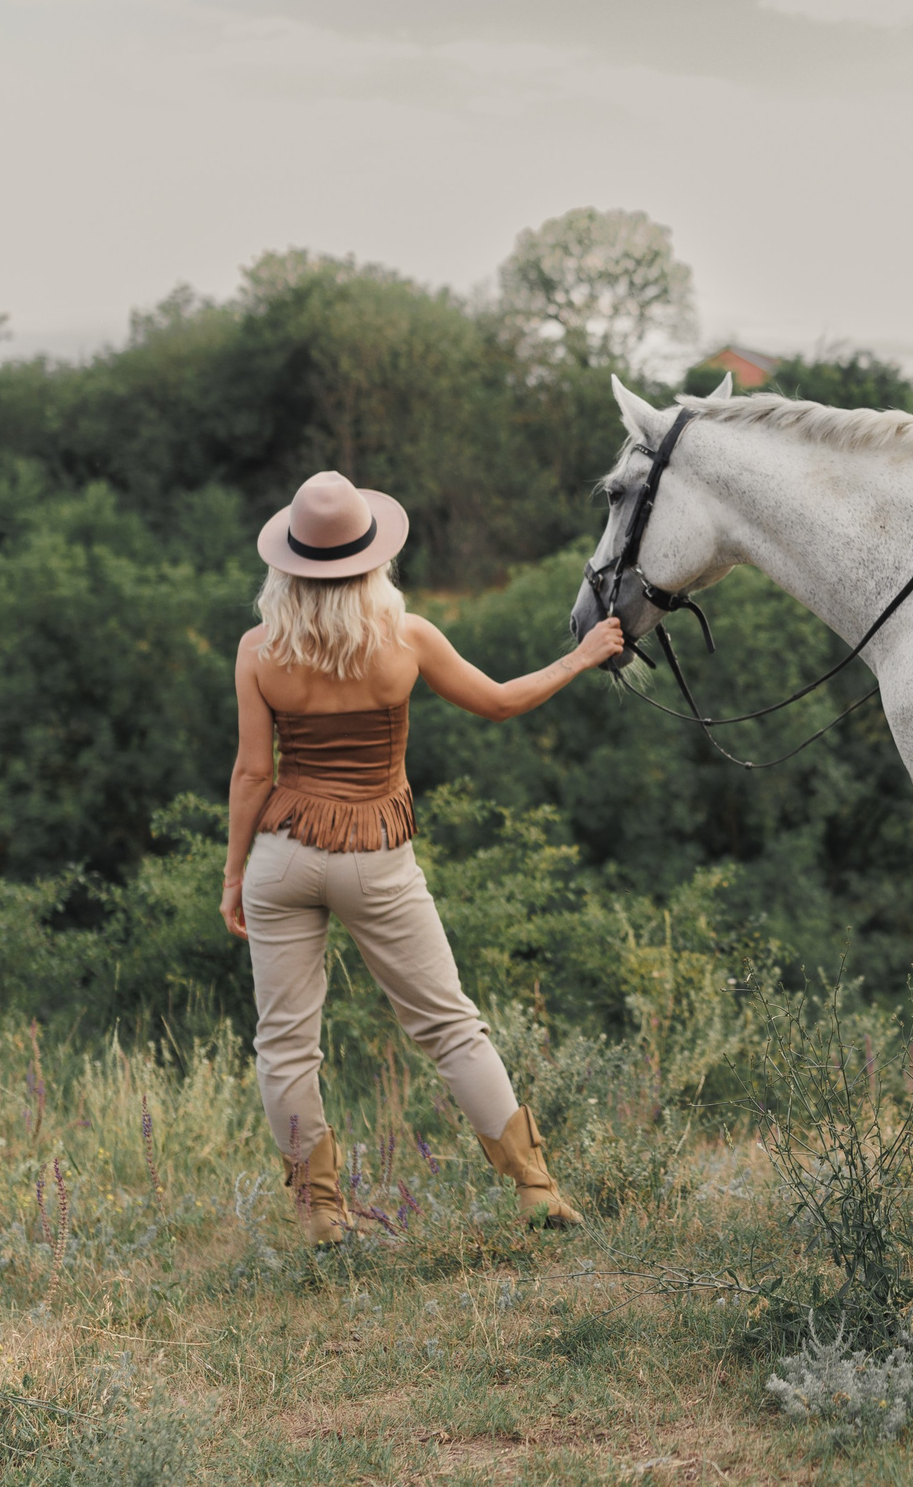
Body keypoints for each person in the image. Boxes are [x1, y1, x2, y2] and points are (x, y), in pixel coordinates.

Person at [222, 469, 623, 1242]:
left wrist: (235, 872)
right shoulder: (406, 638)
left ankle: (321, 1213)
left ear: (289, 563)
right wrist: (582, 656)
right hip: (374, 851)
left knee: (285, 1045)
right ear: (372, 559)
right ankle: (535, 1188)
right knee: (448, 1026)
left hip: (281, 852)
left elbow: (251, 773)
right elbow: (501, 701)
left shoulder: (258, 649)